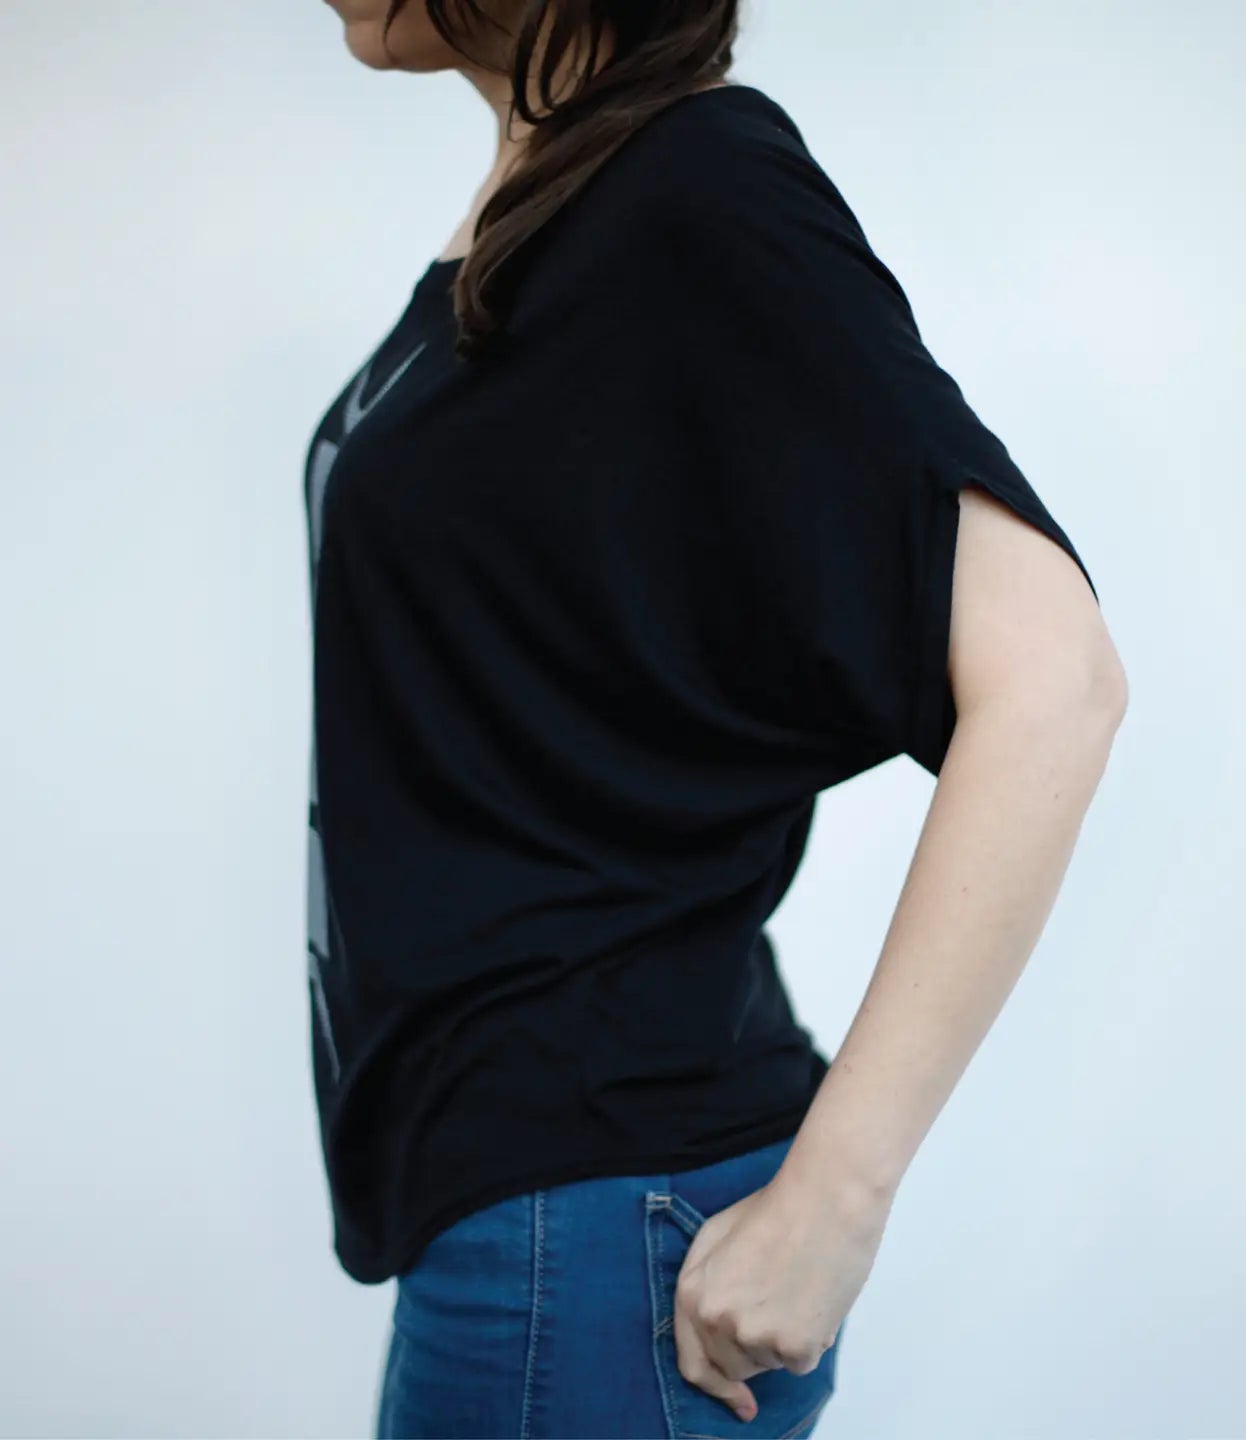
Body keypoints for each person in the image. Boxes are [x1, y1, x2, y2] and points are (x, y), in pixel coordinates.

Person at [302, 3, 1128, 1436]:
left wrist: (836, 1199)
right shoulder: (557, 209)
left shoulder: (695, 184)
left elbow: (1057, 678)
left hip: (594, 1234)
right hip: (530, 1216)